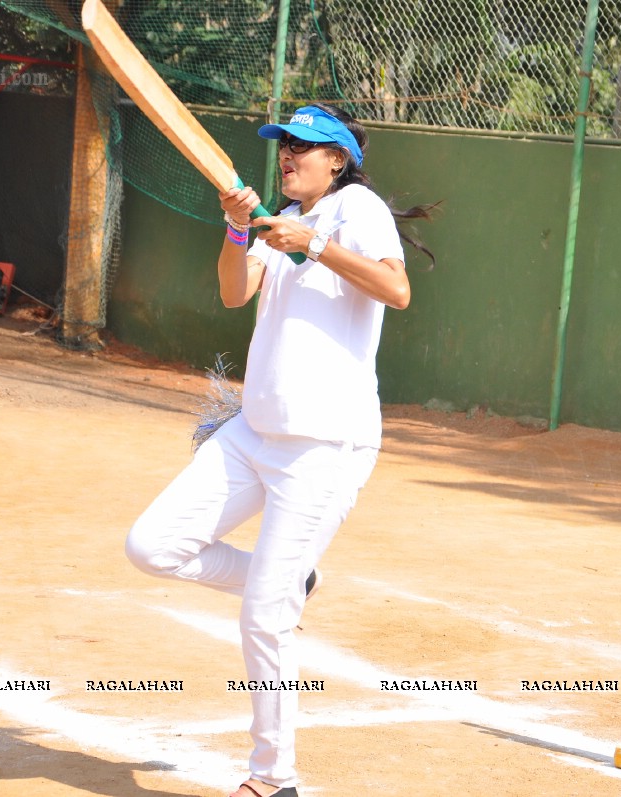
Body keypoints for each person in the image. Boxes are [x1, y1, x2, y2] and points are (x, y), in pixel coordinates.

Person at [126, 102, 423, 797]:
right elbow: (235, 292)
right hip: (251, 432)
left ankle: (273, 779)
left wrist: (313, 244)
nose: (288, 154)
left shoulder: (358, 208)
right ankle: (293, 576)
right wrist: (237, 230)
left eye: (304, 146)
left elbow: (398, 290)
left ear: (338, 159)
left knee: (263, 613)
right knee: (152, 545)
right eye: (284, 144)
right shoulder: (278, 219)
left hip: (325, 446)